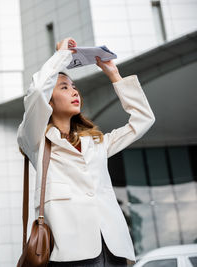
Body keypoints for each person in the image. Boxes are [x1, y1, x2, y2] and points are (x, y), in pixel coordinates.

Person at [17, 37, 155, 266]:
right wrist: (62, 55)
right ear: (49, 101)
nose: (74, 92)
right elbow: (38, 91)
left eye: (75, 87)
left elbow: (143, 120)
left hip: (112, 250)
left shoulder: (96, 142)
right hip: (71, 254)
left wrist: (114, 75)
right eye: (64, 87)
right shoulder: (35, 141)